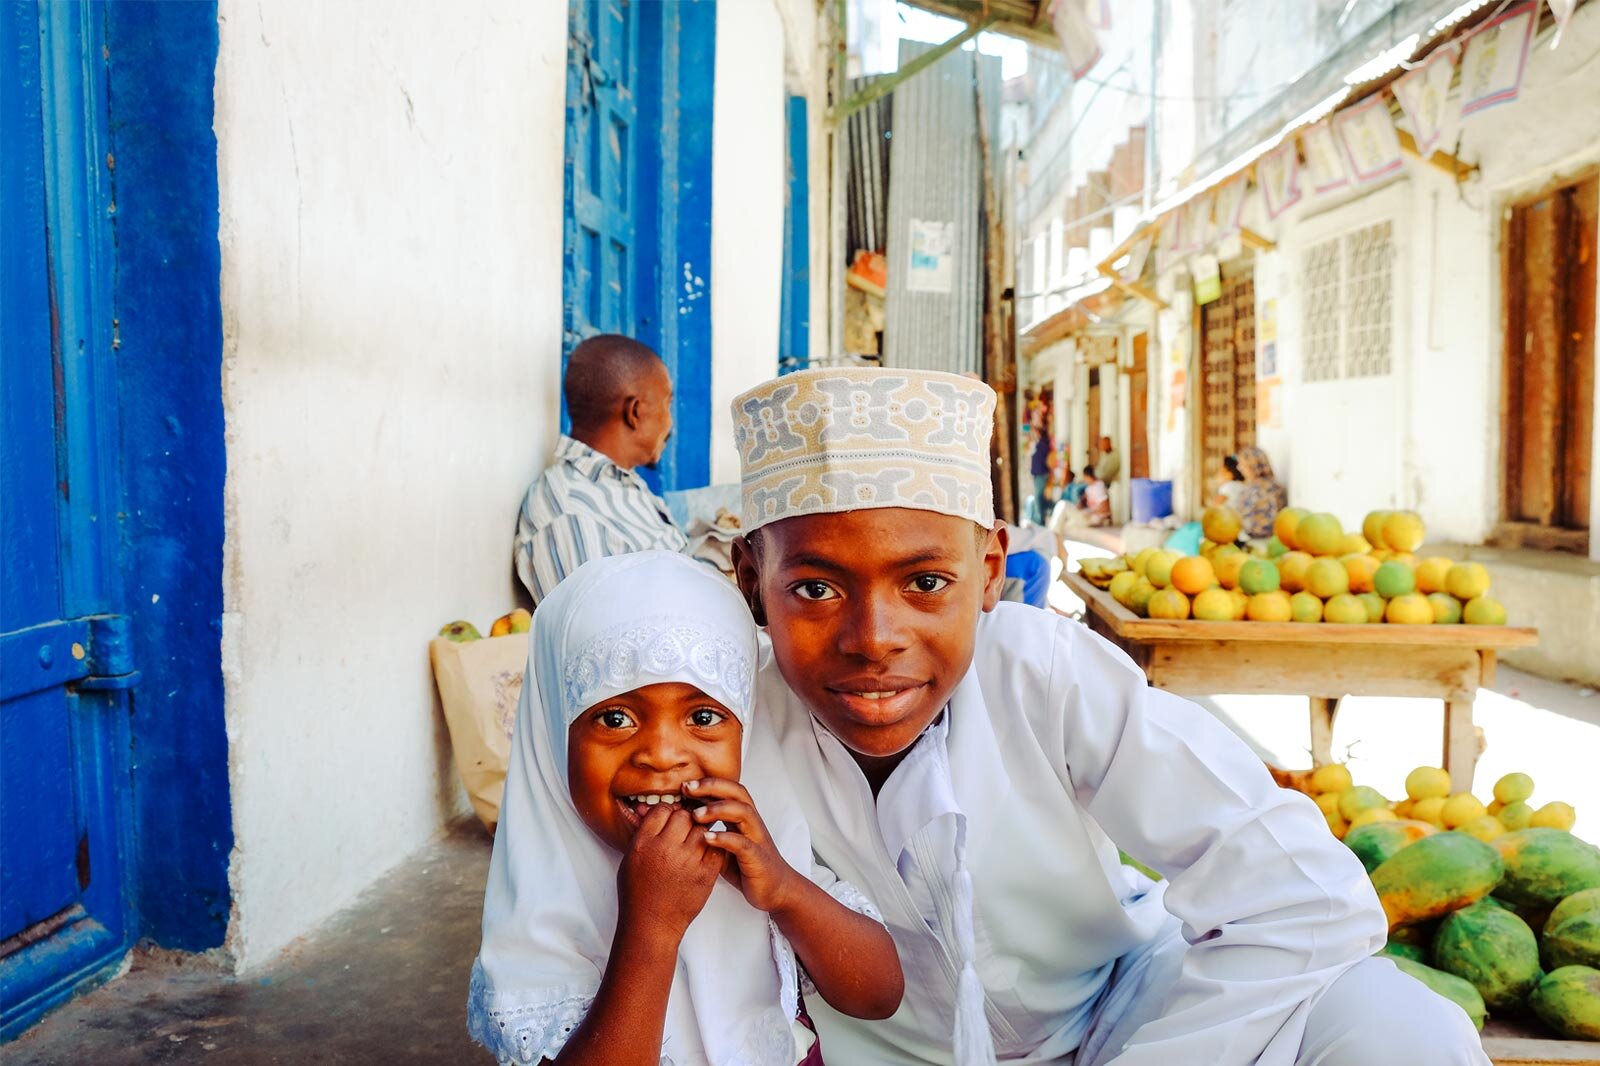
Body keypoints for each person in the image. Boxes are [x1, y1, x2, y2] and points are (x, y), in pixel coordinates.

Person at [727, 367, 1486, 1066]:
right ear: (753, 580)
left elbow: (1304, 897)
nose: (874, 640)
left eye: (926, 582)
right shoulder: (723, 729)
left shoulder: (1042, 673)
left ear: (990, 571)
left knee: (1398, 1025)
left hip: (1120, 1015)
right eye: (816, 590)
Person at [470, 551, 902, 1066]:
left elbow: (878, 996)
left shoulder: (757, 861)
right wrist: (652, 928)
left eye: (702, 715)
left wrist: (786, 890)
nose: (662, 755)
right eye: (614, 718)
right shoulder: (544, 921)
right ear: (554, 732)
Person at [514, 334, 687, 604]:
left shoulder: (621, 484)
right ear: (635, 412)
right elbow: (603, 639)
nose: (670, 424)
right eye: (666, 405)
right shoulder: (571, 514)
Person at [1235, 445, 1289, 541]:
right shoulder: (1269, 486)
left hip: (1258, 541)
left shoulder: (1260, 489)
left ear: (1253, 466)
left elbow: (1261, 524)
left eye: (1242, 465)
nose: (1239, 468)